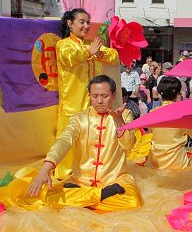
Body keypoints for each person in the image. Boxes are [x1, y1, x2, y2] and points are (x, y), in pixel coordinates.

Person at [23, 75, 141, 211]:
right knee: (47, 196)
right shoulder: (80, 118)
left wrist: (119, 123)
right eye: (95, 96)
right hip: (80, 181)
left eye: (104, 96)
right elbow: (65, 140)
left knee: (132, 201)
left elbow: (129, 146)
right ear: (89, 95)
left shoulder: (124, 115)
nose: (99, 101)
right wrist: (45, 169)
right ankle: (101, 195)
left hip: (114, 180)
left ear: (114, 95)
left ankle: (82, 198)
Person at [56, 8, 119, 179]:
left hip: (93, 105)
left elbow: (113, 56)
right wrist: (89, 52)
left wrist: (97, 52)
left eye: (87, 22)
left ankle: (87, 174)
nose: (86, 25)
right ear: (70, 24)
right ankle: (65, 177)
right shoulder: (63, 45)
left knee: (92, 142)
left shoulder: (90, 46)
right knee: (69, 143)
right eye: (81, 22)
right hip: (73, 106)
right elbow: (70, 57)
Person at [146, 77, 192, 170]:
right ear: (178, 94)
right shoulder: (181, 114)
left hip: (155, 161)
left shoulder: (152, 112)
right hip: (176, 162)